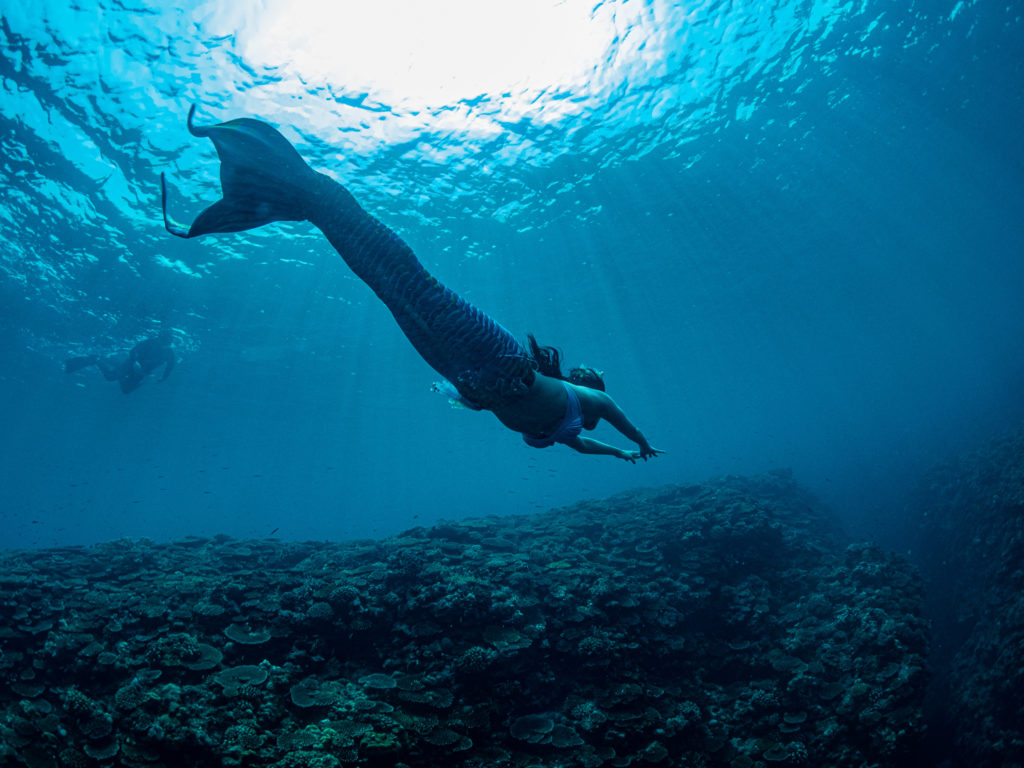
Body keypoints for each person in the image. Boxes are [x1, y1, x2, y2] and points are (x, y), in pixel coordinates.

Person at [162, 106, 660, 462]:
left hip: (470, 376)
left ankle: (306, 202)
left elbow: (594, 441)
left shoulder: (566, 431)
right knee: (413, 283)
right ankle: (311, 189)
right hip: (505, 361)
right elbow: (621, 419)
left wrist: (622, 456)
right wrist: (638, 442)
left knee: (393, 291)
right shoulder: (588, 401)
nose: (592, 380)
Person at [65, 331, 176, 394]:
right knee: (111, 377)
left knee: (126, 390)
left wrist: (163, 378)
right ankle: (96, 359)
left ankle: (115, 364)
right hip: (133, 364)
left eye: (166, 343)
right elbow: (133, 351)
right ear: (159, 338)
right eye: (162, 341)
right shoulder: (150, 342)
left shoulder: (169, 353)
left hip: (143, 372)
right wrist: (134, 362)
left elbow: (170, 366)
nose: (163, 345)